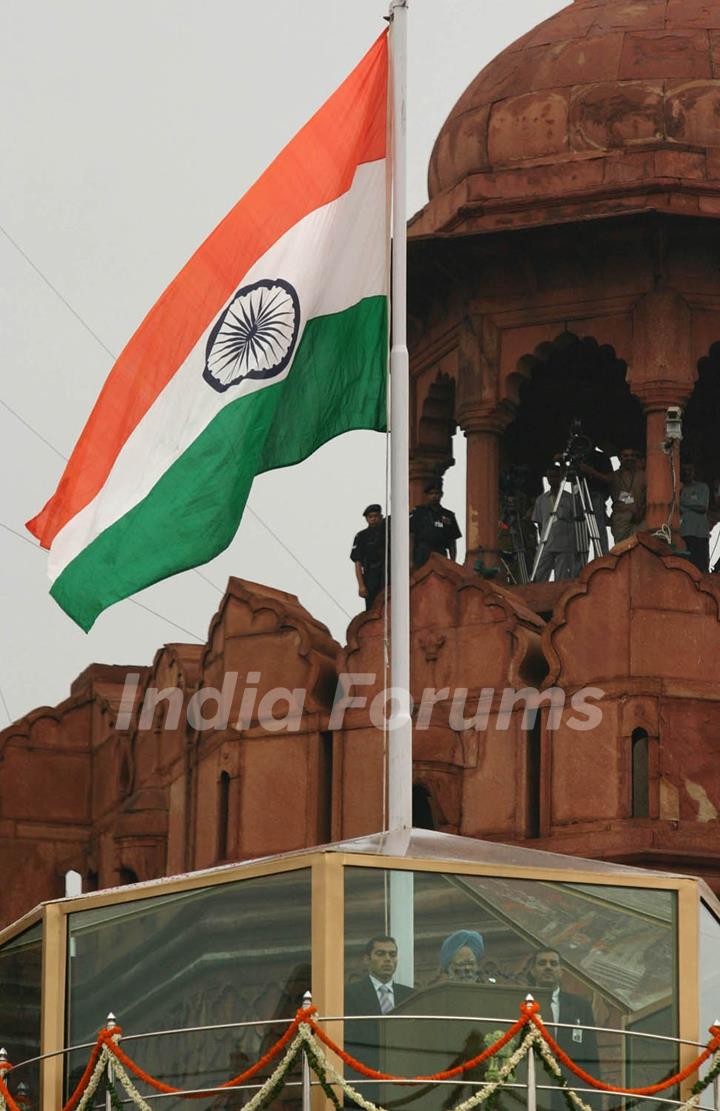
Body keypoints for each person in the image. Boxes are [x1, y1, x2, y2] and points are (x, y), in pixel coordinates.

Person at [527, 947, 601, 1110]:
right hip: (532, 1089)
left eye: (553, 964)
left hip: (571, 1091)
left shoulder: (580, 1006)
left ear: (561, 972)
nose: (548, 967)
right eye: (542, 963)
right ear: (532, 971)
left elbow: (591, 1054)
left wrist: (595, 1101)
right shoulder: (522, 1004)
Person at [344, 935, 414, 1103]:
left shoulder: (410, 995)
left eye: (392, 954)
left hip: (403, 1081)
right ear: (367, 959)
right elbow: (349, 1039)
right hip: (364, 1082)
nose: (388, 959)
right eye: (381, 954)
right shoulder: (350, 994)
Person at [531, 464, 581, 581]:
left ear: (560, 477)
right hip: (546, 543)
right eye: (550, 476)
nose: (552, 479)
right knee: (539, 574)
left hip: (565, 544)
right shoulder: (541, 500)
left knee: (562, 578)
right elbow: (539, 523)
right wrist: (542, 539)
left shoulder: (569, 498)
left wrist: (575, 545)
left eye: (555, 476)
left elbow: (577, 521)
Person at [410, 481, 462, 570]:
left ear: (441, 495)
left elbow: (452, 541)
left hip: (440, 553)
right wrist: (410, 560)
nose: (434, 496)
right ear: (426, 495)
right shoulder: (418, 512)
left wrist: (453, 562)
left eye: (436, 493)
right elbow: (411, 536)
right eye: (431, 493)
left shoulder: (448, 515)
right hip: (422, 553)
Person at [350, 504, 389, 610]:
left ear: (380, 516)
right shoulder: (361, 536)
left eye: (376, 516)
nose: (373, 519)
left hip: (387, 572)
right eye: (370, 517)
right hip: (371, 575)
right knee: (373, 608)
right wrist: (361, 585)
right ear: (366, 519)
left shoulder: (388, 531)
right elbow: (357, 562)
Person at [608, 447, 646, 543]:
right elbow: (620, 494)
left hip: (641, 518)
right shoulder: (615, 476)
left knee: (640, 548)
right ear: (620, 458)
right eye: (625, 456)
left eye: (632, 456)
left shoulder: (643, 475)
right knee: (621, 548)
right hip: (622, 517)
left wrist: (641, 511)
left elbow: (648, 495)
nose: (629, 458)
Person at [680, 462, 710, 573]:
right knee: (686, 566)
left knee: (701, 566)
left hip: (700, 533)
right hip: (683, 532)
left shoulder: (702, 487)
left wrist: (683, 504)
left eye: (689, 470)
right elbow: (676, 507)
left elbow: (702, 507)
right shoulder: (679, 488)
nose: (687, 473)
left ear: (694, 472)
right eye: (684, 470)